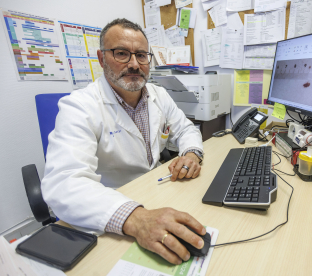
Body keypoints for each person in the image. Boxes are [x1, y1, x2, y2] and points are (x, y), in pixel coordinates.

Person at [41, 18, 206, 265]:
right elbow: (64, 183)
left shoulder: (159, 95)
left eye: (141, 55)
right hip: (109, 209)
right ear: (101, 58)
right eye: (121, 54)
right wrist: (136, 220)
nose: (133, 64)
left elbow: (186, 130)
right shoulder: (79, 107)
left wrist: (191, 154)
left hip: (157, 192)